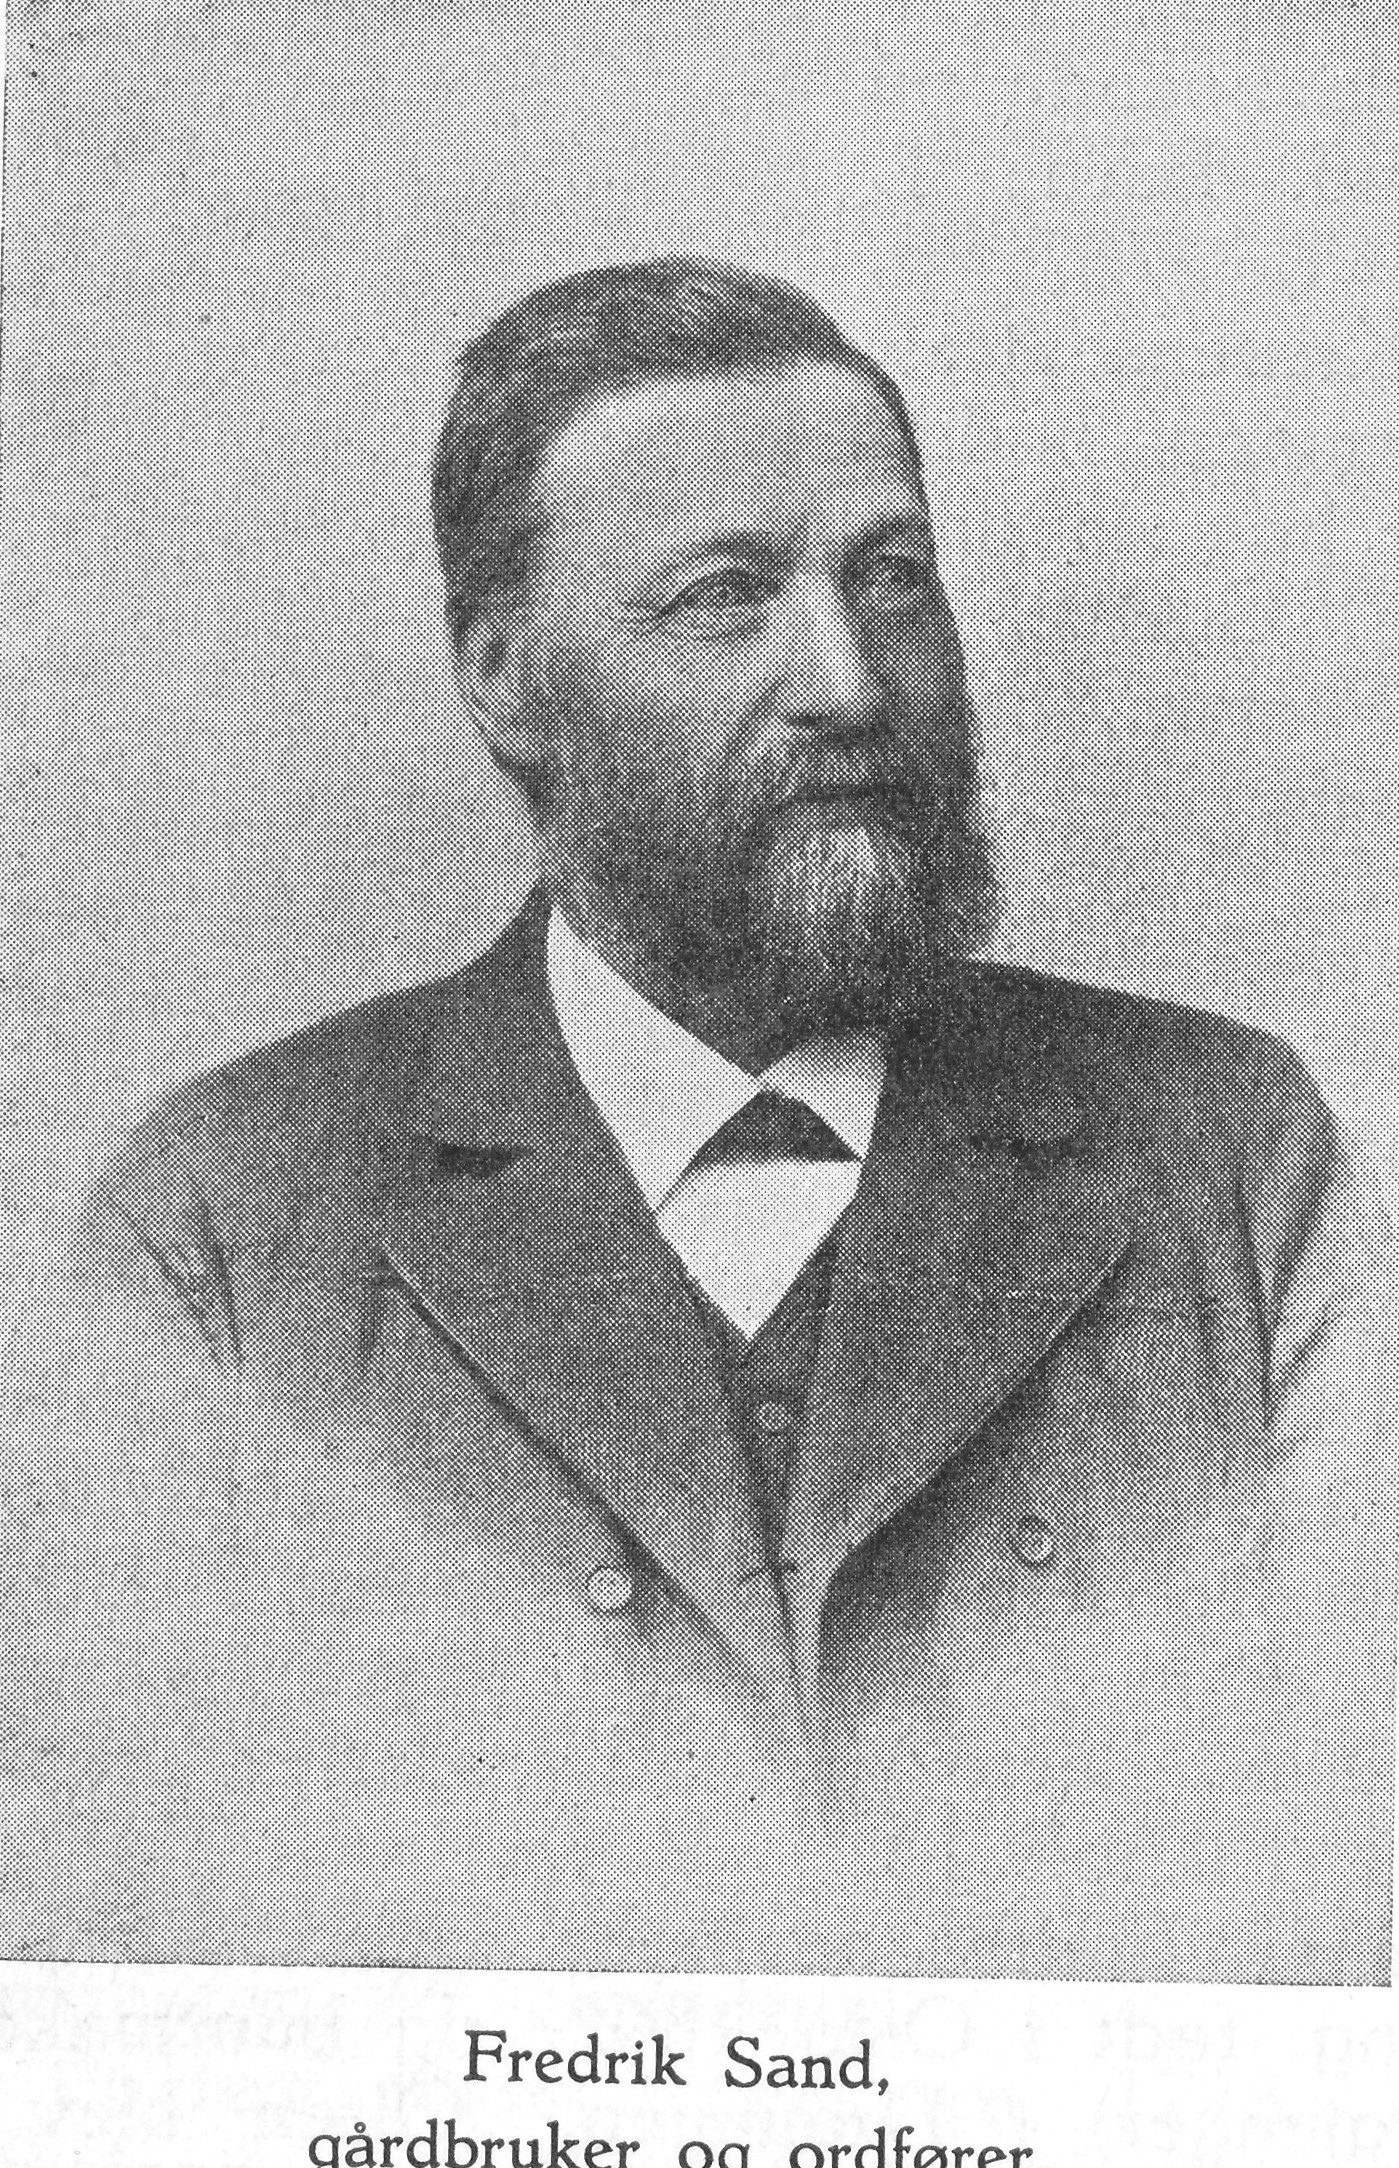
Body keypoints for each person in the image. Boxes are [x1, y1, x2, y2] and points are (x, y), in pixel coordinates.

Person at [4, 258, 1393, 1979]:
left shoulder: (1240, 1162)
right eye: (725, 597)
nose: (848, 681)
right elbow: (122, 1956)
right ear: (506, 681)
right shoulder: (213, 1228)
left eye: (892, 578)